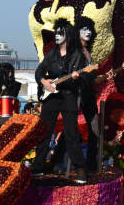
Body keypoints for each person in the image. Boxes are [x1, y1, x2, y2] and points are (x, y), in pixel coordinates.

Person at [30, 18, 89, 184]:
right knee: (44, 131)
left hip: (68, 96)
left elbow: (85, 78)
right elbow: (39, 71)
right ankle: (38, 166)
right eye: (56, 32)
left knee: (71, 134)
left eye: (60, 33)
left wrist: (77, 78)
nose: (56, 36)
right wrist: (44, 82)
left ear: (67, 35)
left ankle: (80, 169)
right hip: (51, 97)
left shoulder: (77, 55)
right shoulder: (53, 53)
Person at [50, 16, 99, 171]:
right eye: (84, 29)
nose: (88, 32)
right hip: (73, 92)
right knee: (70, 129)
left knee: (95, 128)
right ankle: (56, 161)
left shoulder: (88, 51)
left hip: (87, 93)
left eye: (90, 29)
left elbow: (90, 76)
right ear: (77, 31)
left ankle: (91, 164)